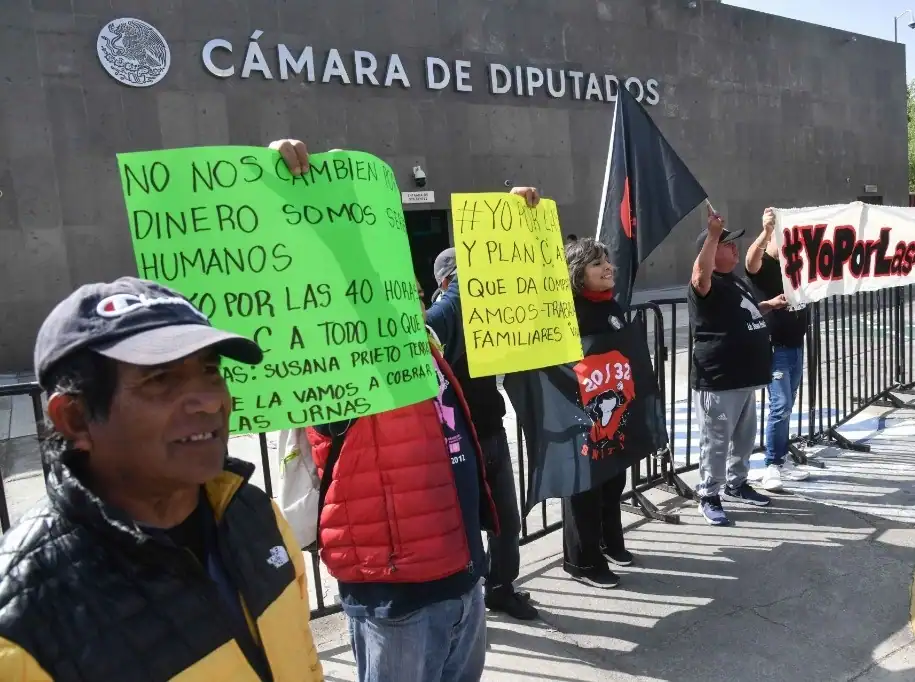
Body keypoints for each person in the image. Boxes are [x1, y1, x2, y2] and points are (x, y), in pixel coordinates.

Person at [0, 277, 323, 681]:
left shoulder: (254, 514)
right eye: (160, 379)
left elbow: (305, 660)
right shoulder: (21, 630)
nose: (210, 399)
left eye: (210, 370)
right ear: (75, 418)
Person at [270, 140, 499, 682]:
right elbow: (307, 279)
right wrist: (274, 186)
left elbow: (465, 296)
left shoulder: (426, 346)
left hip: (461, 576)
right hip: (397, 596)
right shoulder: (331, 361)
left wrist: (507, 214)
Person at [428, 188, 541, 621]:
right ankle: (467, 601)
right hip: (453, 442)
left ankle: (500, 586)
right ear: (447, 282)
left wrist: (511, 214)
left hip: (490, 429)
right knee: (460, 529)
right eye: (468, 276)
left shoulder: (493, 309)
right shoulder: (442, 316)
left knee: (507, 521)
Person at [689, 211, 787, 526]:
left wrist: (768, 306)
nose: (734, 249)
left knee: (743, 438)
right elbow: (699, 275)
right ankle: (708, 494)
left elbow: (743, 314)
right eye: (726, 244)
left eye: (733, 244)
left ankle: (737, 483)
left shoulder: (736, 283)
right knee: (716, 440)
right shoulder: (707, 283)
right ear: (711, 249)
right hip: (719, 380)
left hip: (745, 379)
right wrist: (713, 233)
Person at [559, 237, 633, 588]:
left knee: (613, 478)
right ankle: (582, 561)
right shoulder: (568, 314)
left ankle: (608, 540)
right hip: (580, 418)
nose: (608, 267)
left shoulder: (611, 306)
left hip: (611, 414)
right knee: (584, 488)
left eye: (606, 260)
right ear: (577, 274)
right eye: (596, 263)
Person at [744, 208, 811, 492]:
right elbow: (750, 261)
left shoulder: (799, 266)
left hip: (796, 346)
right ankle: (772, 463)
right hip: (778, 347)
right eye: (780, 239)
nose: (785, 245)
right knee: (780, 406)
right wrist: (767, 231)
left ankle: (780, 459)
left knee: (787, 406)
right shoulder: (766, 267)